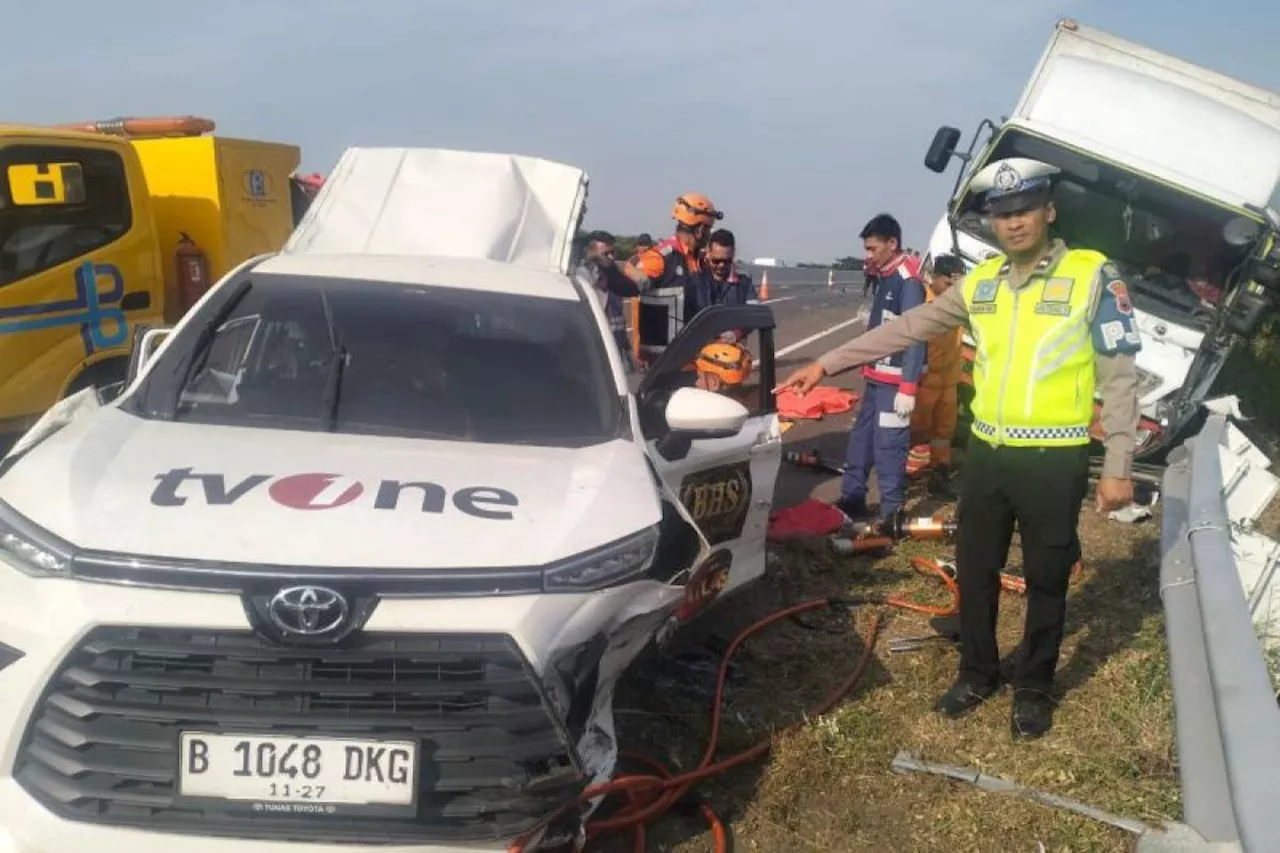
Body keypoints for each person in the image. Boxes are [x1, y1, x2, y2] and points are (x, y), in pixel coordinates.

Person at [776, 157, 1141, 739]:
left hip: (1056, 459)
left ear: (1048, 212)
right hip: (989, 457)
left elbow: (1121, 378)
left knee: (1047, 578)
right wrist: (827, 362)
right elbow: (907, 327)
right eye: (1002, 214)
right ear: (992, 223)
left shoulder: (1092, 275)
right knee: (976, 571)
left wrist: (1118, 465)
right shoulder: (984, 282)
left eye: (1024, 210)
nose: (1014, 223)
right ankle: (977, 673)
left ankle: (1035, 687)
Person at [834, 213, 926, 522]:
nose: (868, 255)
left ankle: (891, 512)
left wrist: (909, 387)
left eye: (873, 249)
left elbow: (916, 334)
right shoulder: (885, 275)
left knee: (889, 447)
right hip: (875, 378)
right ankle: (852, 498)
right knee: (861, 441)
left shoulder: (908, 281)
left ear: (892, 243)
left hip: (895, 383)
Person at [624, 194, 723, 362]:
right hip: (665, 361)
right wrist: (642, 279)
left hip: (694, 355)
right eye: (708, 230)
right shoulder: (662, 257)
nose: (709, 235)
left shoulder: (699, 261)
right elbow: (630, 270)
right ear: (699, 230)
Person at [909, 253, 967, 494]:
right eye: (948, 283)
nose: (952, 288)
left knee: (944, 433)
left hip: (949, 382)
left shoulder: (959, 305)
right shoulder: (920, 303)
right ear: (934, 278)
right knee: (914, 431)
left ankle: (939, 474)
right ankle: (905, 475)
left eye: (957, 284)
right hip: (925, 382)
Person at [577, 230, 640, 371]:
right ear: (591, 253)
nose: (611, 257)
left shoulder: (613, 279)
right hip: (595, 357)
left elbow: (618, 321)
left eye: (613, 253)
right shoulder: (584, 279)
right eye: (605, 254)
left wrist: (629, 353)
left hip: (614, 356)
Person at [686, 229, 757, 342]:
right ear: (708, 253)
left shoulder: (744, 282)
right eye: (716, 261)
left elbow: (754, 314)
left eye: (727, 261)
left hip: (734, 352)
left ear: (733, 253)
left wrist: (737, 333)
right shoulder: (694, 282)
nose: (721, 265)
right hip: (699, 350)